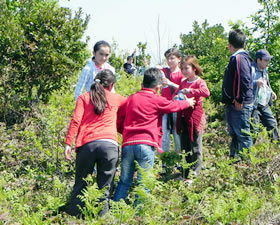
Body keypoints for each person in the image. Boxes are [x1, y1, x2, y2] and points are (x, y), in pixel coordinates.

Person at [113, 68, 195, 202]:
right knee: (144, 183)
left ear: (142, 84)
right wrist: (187, 102)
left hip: (128, 144)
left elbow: (118, 120)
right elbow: (173, 106)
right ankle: (139, 215)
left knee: (124, 181)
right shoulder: (156, 99)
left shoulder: (131, 99)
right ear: (158, 87)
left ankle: (114, 214)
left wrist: (127, 132)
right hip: (146, 144)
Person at [63, 69, 126, 217]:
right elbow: (135, 109)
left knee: (80, 185)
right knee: (105, 187)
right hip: (109, 145)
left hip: (87, 145)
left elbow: (75, 121)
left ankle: (73, 217)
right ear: (111, 85)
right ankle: (101, 218)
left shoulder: (84, 97)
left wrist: (68, 143)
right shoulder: (118, 99)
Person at [175, 56, 210, 180]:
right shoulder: (183, 82)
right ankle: (185, 173)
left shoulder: (199, 82)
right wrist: (177, 97)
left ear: (194, 68)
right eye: (182, 69)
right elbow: (178, 94)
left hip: (195, 116)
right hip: (184, 115)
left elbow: (206, 93)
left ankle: (194, 174)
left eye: (186, 68)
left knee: (195, 145)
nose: (184, 71)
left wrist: (191, 91)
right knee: (185, 146)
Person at [221, 29, 254, 160]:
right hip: (234, 103)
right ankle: (235, 161)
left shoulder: (239, 58)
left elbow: (244, 79)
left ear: (230, 45)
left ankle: (246, 164)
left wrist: (239, 99)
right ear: (244, 43)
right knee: (235, 133)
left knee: (242, 134)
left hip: (239, 104)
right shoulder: (240, 57)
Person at [251, 49, 280, 143]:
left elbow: (267, 84)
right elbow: (244, 84)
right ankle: (248, 154)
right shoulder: (251, 70)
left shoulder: (265, 71)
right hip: (253, 105)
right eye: (266, 60)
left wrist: (271, 92)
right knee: (254, 129)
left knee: (272, 124)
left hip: (264, 103)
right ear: (258, 60)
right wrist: (255, 83)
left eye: (268, 60)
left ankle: (277, 148)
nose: (268, 63)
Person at [161, 48, 184, 152]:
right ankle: (164, 159)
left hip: (176, 107)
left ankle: (178, 158)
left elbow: (184, 88)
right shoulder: (164, 72)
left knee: (177, 133)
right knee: (164, 133)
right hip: (164, 106)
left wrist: (171, 84)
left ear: (179, 59)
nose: (169, 61)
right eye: (167, 59)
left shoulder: (182, 73)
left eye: (172, 58)